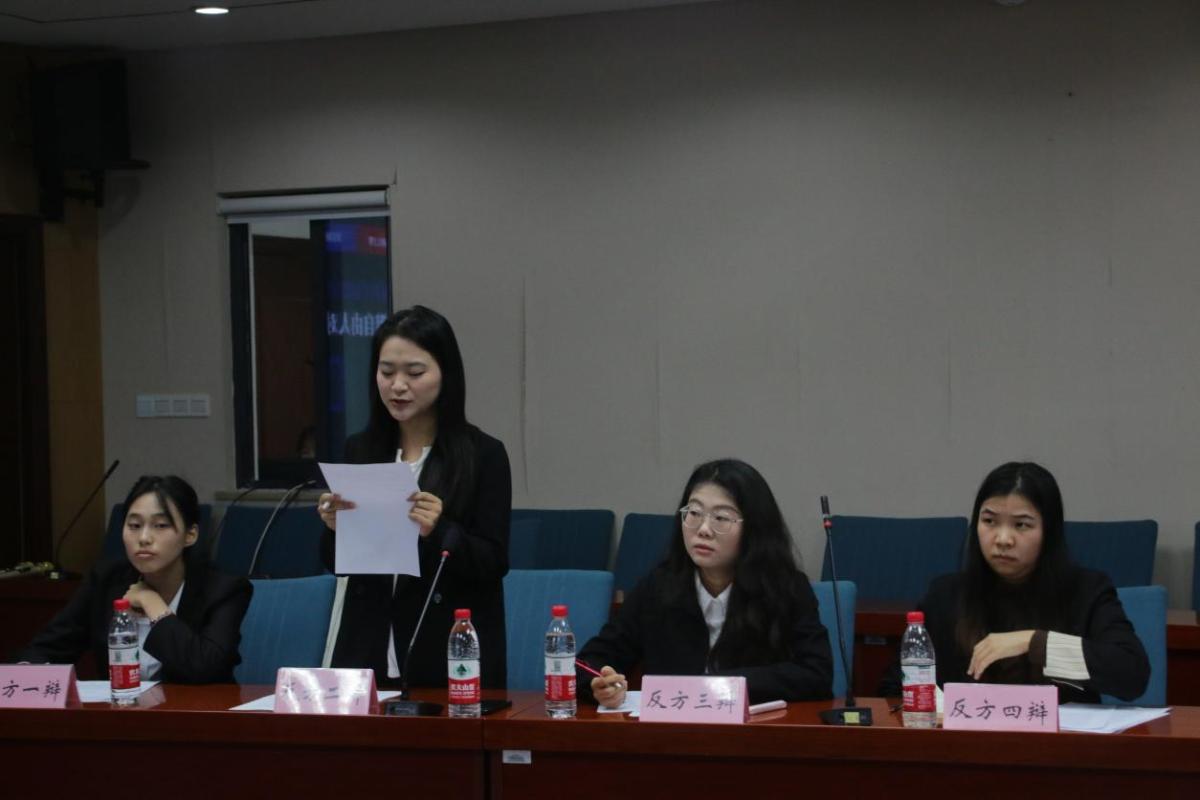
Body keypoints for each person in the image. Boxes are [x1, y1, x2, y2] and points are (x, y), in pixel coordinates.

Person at [317, 305, 511, 689]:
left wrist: (439, 530)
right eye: (387, 372)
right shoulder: (361, 449)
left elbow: (493, 561)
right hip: (367, 646)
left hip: (443, 650)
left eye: (415, 373)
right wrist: (336, 528)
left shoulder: (482, 454)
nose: (398, 386)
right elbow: (340, 566)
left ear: (446, 374)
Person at [880, 461, 1149, 702]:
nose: (1003, 539)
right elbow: (894, 688)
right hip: (969, 740)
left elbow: (1132, 674)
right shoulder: (945, 595)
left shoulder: (1086, 591)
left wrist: (1034, 642)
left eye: (1021, 525)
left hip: (1061, 740)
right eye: (989, 521)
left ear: (1049, 532)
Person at [577, 458, 833, 707]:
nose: (703, 529)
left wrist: (724, 686)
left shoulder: (785, 589)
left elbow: (817, 673)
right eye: (694, 513)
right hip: (672, 732)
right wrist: (600, 684)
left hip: (754, 729)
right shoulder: (657, 587)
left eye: (721, 518)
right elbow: (588, 663)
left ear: (754, 528)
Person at [17, 475, 252, 683]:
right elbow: (47, 649)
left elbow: (206, 667)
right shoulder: (105, 581)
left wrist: (152, 603)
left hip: (196, 715)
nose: (144, 538)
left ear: (190, 535)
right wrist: (24, 675)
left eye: (160, 525)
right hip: (122, 713)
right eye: (134, 525)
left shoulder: (224, 590)